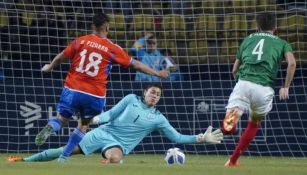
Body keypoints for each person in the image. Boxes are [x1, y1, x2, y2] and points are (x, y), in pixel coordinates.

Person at [35, 13, 170, 163]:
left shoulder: (81, 40)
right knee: (83, 125)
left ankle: (51, 127)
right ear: (107, 27)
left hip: (72, 88)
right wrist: (157, 72)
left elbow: (61, 56)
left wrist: (49, 67)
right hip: (94, 94)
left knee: (61, 119)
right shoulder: (112, 48)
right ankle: (63, 157)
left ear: (93, 26)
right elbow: (135, 64)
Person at [7, 83, 223, 164]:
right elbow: (109, 114)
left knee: (116, 157)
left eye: (158, 95)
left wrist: (202, 138)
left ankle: (109, 161)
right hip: (102, 132)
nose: (155, 96)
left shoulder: (159, 118)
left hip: (119, 144)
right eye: (152, 93)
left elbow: (176, 138)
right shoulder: (130, 99)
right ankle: (24, 160)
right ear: (145, 92)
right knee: (64, 150)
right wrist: (93, 120)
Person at [222, 13, 296, 167]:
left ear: (257, 27)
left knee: (229, 124)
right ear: (275, 28)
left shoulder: (248, 39)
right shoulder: (283, 43)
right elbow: (292, 63)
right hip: (264, 89)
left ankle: (230, 127)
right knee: (254, 124)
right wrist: (286, 86)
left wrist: (240, 83)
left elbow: (234, 70)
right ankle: (233, 161)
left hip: (244, 84)